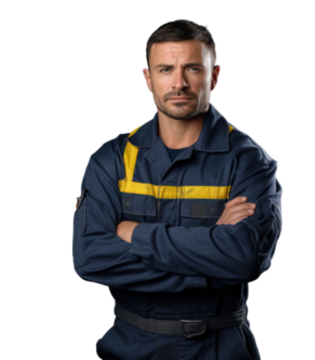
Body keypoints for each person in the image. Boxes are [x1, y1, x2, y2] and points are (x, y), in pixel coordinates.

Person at [70, 19, 284, 359]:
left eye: (193, 68)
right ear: (147, 79)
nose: (179, 83)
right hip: (128, 347)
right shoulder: (110, 159)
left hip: (220, 348)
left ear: (215, 76)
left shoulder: (249, 162)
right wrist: (209, 259)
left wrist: (134, 233)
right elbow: (90, 258)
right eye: (166, 69)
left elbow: (245, 259)